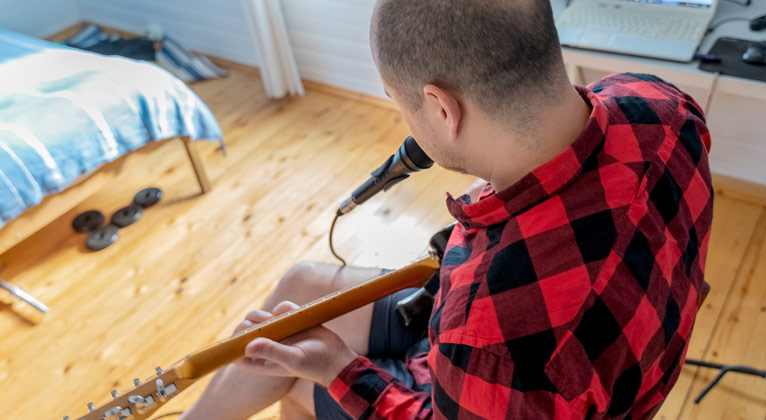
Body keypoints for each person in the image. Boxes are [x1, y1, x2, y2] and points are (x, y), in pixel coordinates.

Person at [181, 0, 713, 418]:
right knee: (302, 285)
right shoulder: (661, 105)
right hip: (604, 358)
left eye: (398, 101)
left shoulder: (487, 334)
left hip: (511, 386)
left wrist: (337, 368)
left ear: (440, 108)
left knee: (296, 383)